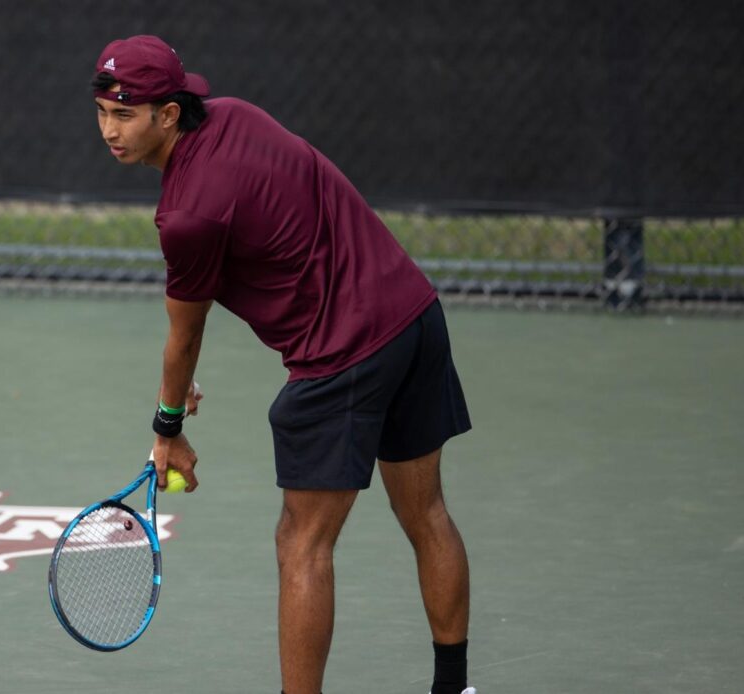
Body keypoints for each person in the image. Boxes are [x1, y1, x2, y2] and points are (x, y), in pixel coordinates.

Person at [91, 35, 476, 694]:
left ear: (169, 115)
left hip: (346, 356)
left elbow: (184, 335)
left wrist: (168, 426)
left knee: (302, 543)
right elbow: (282, 227)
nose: (109, 129)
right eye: (102, 111)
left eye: (126, 114)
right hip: (413, 315)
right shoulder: (239, 116)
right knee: (426, 511)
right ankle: (455, 688)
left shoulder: (185, 216)